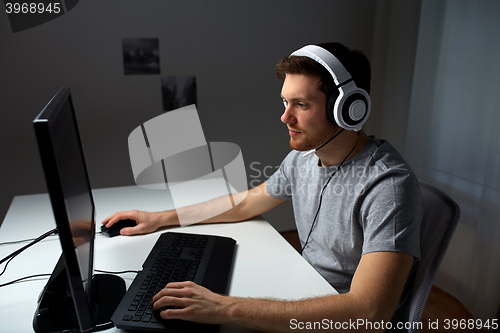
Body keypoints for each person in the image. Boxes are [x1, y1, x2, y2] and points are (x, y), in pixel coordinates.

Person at [102, 42, 422, 332]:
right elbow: (245, 203)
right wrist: (160, 218)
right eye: (285, 101)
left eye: (301, 104)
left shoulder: (387, 186)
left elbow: (369, 313)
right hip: (304, 291)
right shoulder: (305, 158)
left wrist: (225, 308)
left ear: (350, 109)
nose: (285, 117)